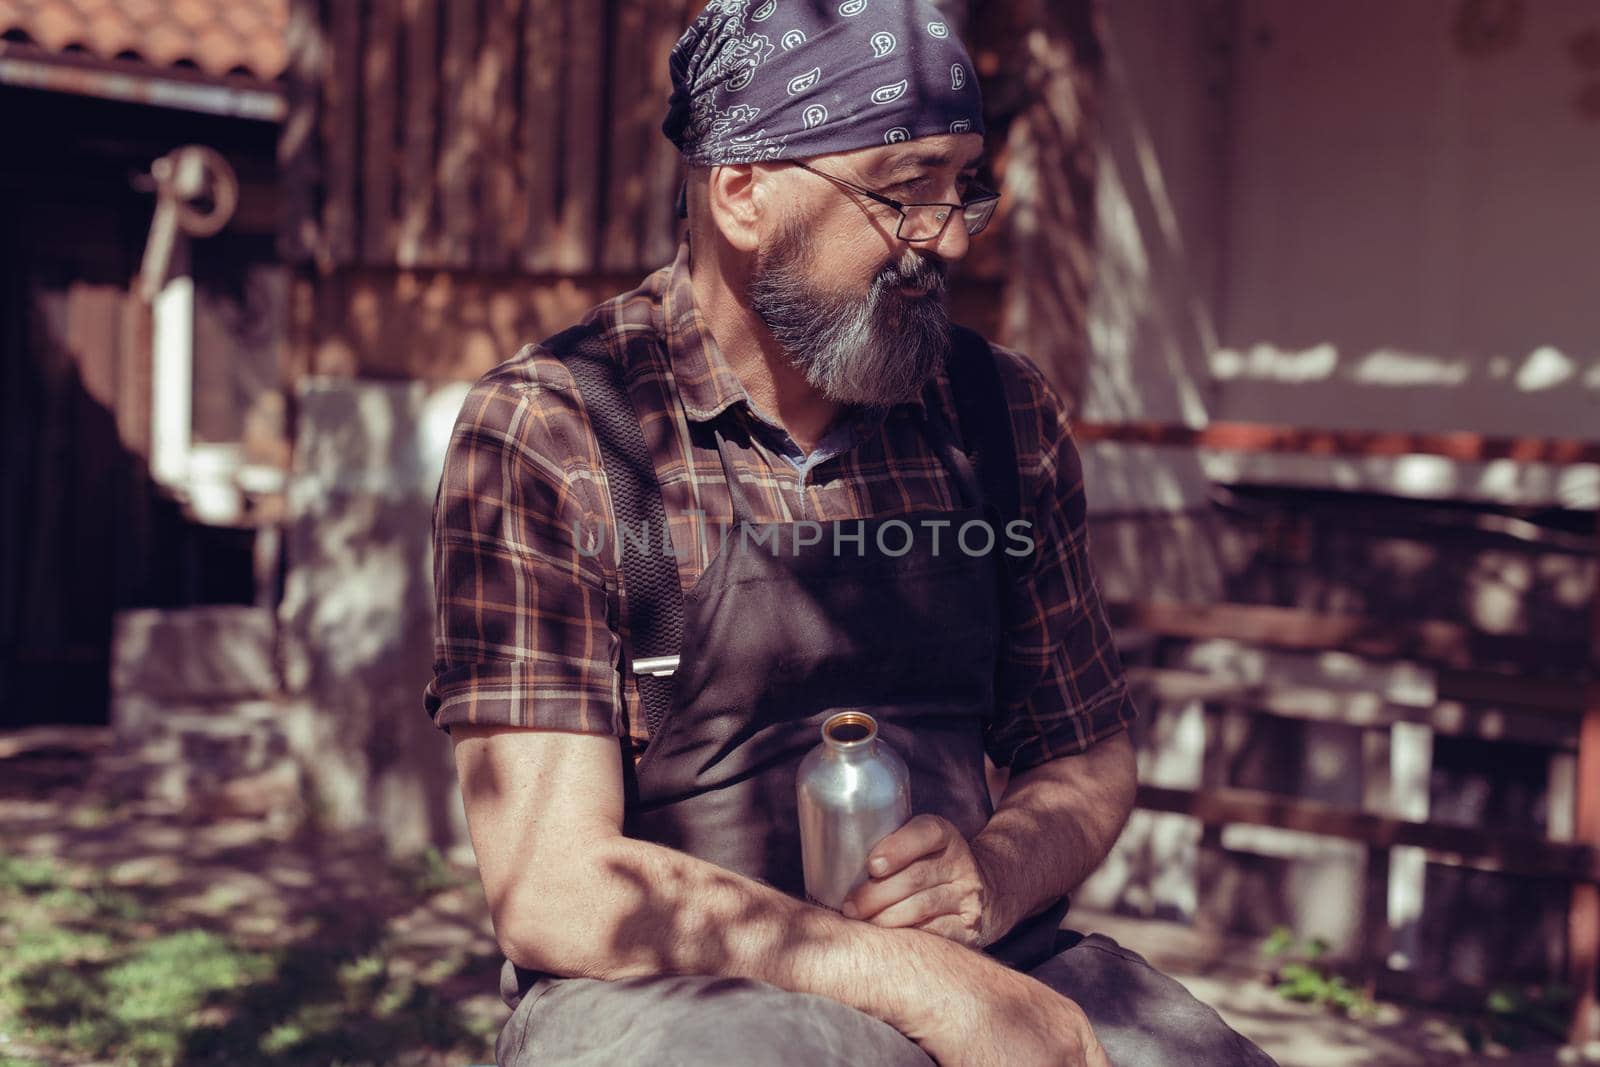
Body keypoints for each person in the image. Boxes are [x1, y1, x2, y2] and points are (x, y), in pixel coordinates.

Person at [425, 2, 1277, 1064]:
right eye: (903, 190)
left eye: (964, 184)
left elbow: (1084, 748)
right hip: (673, 989)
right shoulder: (563, 430)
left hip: (983, 952)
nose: (951, 235)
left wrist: (991, 874)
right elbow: (549, 879)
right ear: (742, 194)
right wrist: (907, 978)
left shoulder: (997, 414)